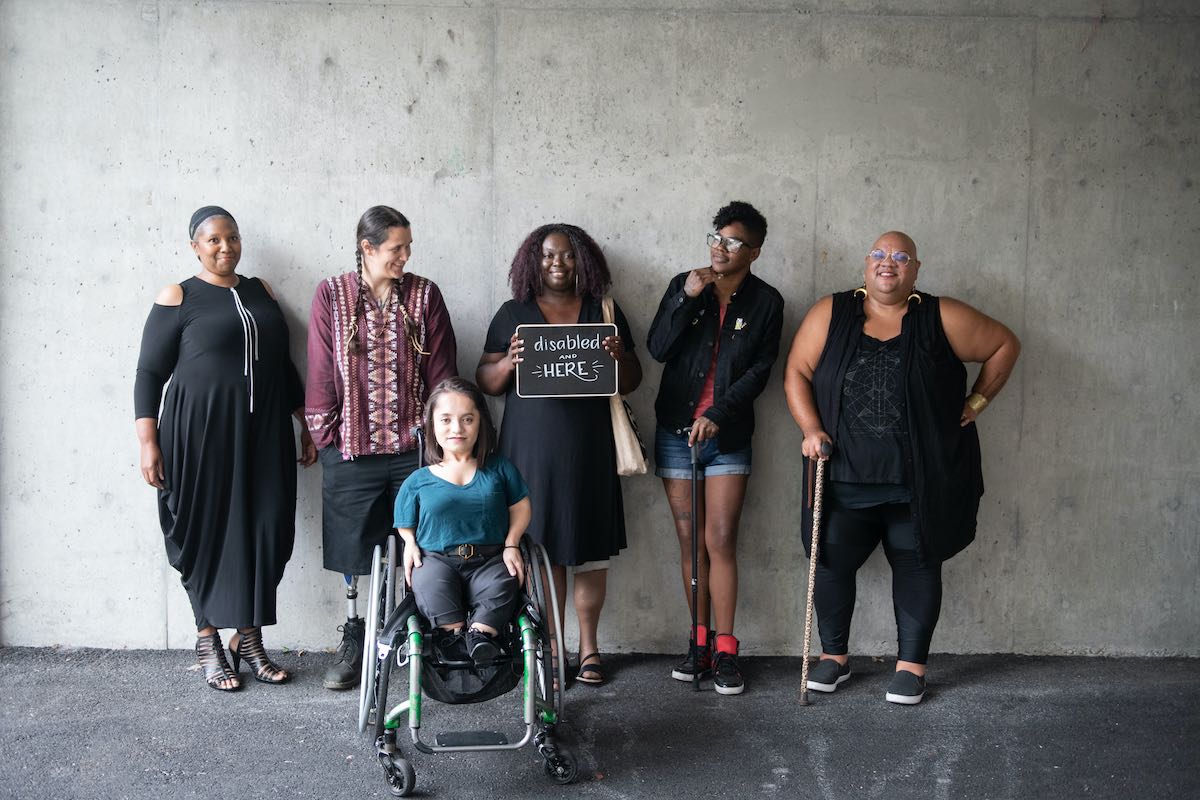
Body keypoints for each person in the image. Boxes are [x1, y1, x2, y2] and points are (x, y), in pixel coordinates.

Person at [783, 230, 1021, 705]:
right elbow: (797, 373)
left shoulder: (942, 316)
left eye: (900, 257)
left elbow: (1004, 345)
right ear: (865, 264)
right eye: (878, 254)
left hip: (918, 479)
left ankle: (911, 667)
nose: (886, 263)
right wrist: (811, 429)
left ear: (915, 269)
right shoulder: (831, 313)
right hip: (843, 473)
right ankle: (835, 658)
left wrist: (978, 401)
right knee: (828, 562)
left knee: (916, 563)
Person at [135, 206, 317, 691]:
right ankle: (207, 638)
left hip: (263, 436)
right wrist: (148, 441)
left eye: (232, 238)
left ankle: (249, 638)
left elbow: (280, 363)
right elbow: (149, 373)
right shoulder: (179, 295)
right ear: (195, 245)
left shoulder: (261, 292)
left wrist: (304, 420)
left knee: (266, 527)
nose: (225, 247)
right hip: (198, 436)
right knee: (204, 530)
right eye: (213, 240)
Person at [477, 223, 642, 686]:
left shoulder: (602, 311)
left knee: (589, 550)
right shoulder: (515, 313)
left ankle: (590, 649)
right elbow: (486, 381)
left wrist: (616, 357)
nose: (558, 264)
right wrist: (509, 360)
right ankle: (552, 648)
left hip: (590, 448)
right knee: (542, 550)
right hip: (532, 450)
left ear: (583, 261)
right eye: (549, 255)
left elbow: (632, 379)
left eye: (568, 256)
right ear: (533, 261)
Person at [305, 205, 458, 690]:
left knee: (425, 545)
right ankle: (357, 637)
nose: (406, 256)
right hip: (352, 450)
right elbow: (321, 370)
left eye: (409, 247)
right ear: (367, 248)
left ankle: (419, 635)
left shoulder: (424, 295)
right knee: (355, 551)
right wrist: (328, 441)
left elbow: (443, 374)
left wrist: (443, 445)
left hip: (413, 452)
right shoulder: (331, 295)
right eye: (397, 248)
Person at [646, 201, 784, 695]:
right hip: (674, 431)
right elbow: (658, 348)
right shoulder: (686, 284)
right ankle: (697, 643)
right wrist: (686, 297)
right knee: (689, 543)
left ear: (755, 251)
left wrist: (717, 415)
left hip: (726, 435)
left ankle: (727, 649)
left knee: (720, 540)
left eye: (733, 242)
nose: (720, 248)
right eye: (716, 237)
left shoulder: (767, 301)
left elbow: (758, 371)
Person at [394, 377, 532, 665]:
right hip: (437, 559)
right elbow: (404, 520)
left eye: (467, 419)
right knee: (429, 583)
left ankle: (480, 637)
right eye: (446, 420)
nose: (457, 428)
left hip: (490, 558)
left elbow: (520, 507)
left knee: (504, 583)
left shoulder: (499, 468)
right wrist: (409, 543)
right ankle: (452, 637)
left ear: (480, 422)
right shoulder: (418, 480)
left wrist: (512, 544)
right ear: (432, 424)